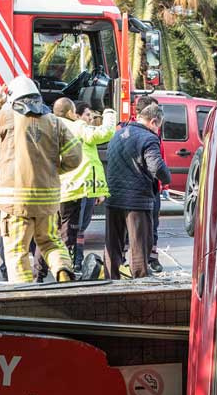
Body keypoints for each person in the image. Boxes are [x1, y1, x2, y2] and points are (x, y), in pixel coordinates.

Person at [0, 76, 81, 283]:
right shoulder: (55, 122)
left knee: (17, 251)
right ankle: (63, 271)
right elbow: (75, 158)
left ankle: (25, 292)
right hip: (48, 200)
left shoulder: (5, 116)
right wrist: (52, 171)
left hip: (15, 203)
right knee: (51, 242)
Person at [105, 103, 170, 280]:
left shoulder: (117, 135)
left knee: (113, 246)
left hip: (113, 198)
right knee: (139, 247)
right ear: (154, 121)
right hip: (137, 200)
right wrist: (167, 179)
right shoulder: (148, 138)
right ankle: (140, 285)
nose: (158, 130)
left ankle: (110, 283)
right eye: (158, 126)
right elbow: (156, 166)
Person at [53, 97, 116, 275]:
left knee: (59, 232)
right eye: (86, 114)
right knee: (69, 232)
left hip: (68, 187)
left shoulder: (55, 126)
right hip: (75, 189)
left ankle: (63, 267)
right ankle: (67, 270)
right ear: (73, 114)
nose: (89, 118)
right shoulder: (77, 126)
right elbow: (102, 135)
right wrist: (110, 114)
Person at [132, 94, 165, 274]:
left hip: (154, 185)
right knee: (137, 227)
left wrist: (163, 184)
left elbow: (160, 156)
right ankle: (137, 263)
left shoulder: (154, 132)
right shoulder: (134, 129)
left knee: (154, 224)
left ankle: (152, 258)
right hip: (141, 186)